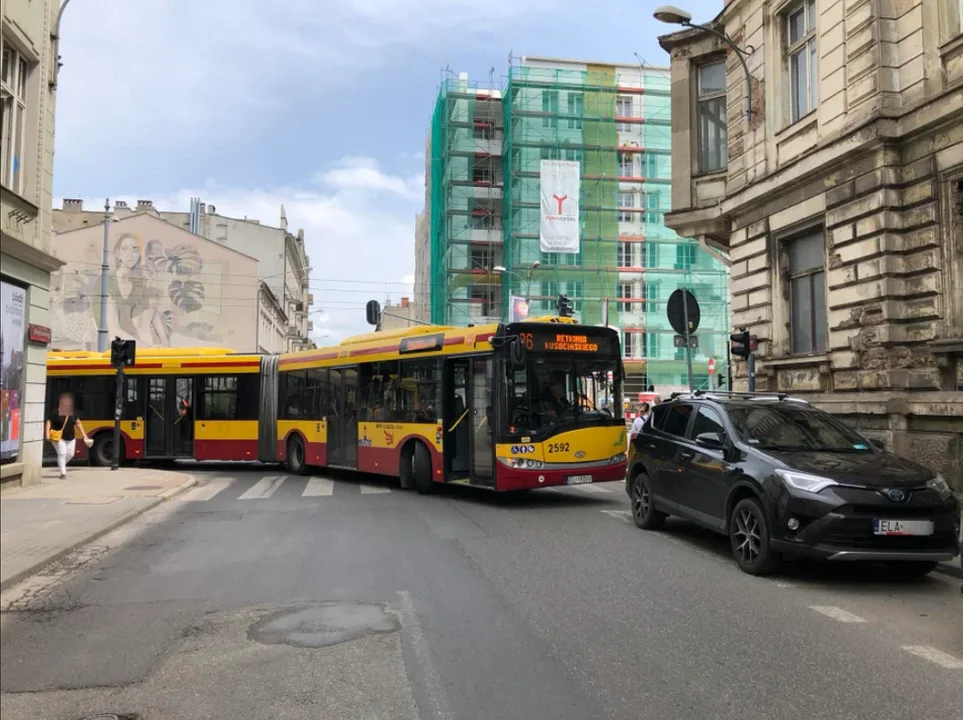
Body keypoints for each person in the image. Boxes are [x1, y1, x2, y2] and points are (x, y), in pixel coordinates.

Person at [45, 392, 88, 479]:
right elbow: (49, 422)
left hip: (71, 438)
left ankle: (61, 464)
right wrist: (47, 433)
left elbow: (78, 423)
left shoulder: (72, 413)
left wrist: (84, 435)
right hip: (58, 437)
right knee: (62, 453)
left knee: (70, 454)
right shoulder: (55, 412)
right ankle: (63, 473)